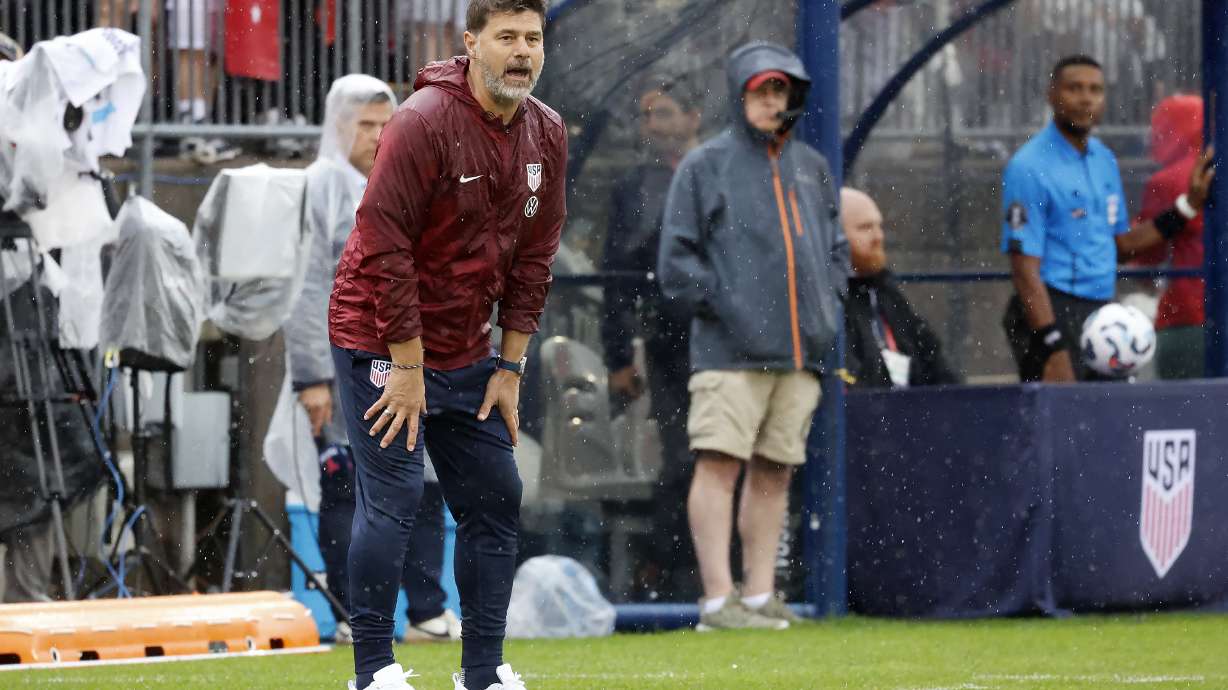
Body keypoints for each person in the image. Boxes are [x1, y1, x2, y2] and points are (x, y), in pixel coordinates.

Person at [327, 0, 565, 687]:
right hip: (377, 335)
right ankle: (374, 672)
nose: (522, 51)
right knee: (394, 500)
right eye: (506, 37)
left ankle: (483, 674)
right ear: (471, 43)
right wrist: (406, 366)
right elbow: (384, 244)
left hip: (468, 348)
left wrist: (510, 365)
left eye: (533, 37)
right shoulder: (422, 121)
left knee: (496, 495)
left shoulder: (547, 132)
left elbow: (535, 258)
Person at [659, 41, 848, 631]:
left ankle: (761, 596)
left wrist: (825, 309)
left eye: (780, 91)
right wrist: (733, 310)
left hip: (799, 355)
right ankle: (718, 602)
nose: (772, 101)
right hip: (730, 355)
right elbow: (676, 264)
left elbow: (837, 252)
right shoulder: (704, 164)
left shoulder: (812, 166)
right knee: (719, 465)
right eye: (762, 90)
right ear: (742, 96)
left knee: (775, 471)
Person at [283, 75, 460, 646]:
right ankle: (350, 612)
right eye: (364, 124)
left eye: (387, 123)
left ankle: (428, 609)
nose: (377, 135)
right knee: (347, 485)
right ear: (338, 127)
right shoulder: (318, 189)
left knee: (423, 482)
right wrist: (313, 375)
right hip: (345, 363)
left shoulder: (411, 180)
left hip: (413, 359)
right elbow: (305, 288)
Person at [1001, 55, 1214, 382]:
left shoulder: (1103, 159)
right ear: (1052, 94)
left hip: (1101, 311)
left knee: (1107, 421)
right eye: (1074, 88)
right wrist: (1050, 343)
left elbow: (1121, 246)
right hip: (1054, 308)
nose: (1086, 98)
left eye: (1095, 90)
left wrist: (1188, 204)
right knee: (1062, 423)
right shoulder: (1028, 166)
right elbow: (1024, 270)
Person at [599, 78, 702, 600]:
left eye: (663, 114)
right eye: (647, 117)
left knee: (727, 457)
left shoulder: (715, 174)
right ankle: (676, 576)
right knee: (682, 459)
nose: (652, 127)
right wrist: (618, 354)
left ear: (693, 118)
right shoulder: (634, 187)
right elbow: (616, 275)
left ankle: (722, 577)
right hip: (670, 346)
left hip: (725, 343)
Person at [841, 187, 960, 388]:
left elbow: (932, 357)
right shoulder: (831, 302)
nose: (878, 236)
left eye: (879, 226)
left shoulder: (885, 293)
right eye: (865, 227)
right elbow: (848, 380)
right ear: (834, 236)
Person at [1133, 95, 1206, 379]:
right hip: (1213, 310)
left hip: (1187, 318)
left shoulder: (1168, 181)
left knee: (1185, 409)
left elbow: (1146, 254)